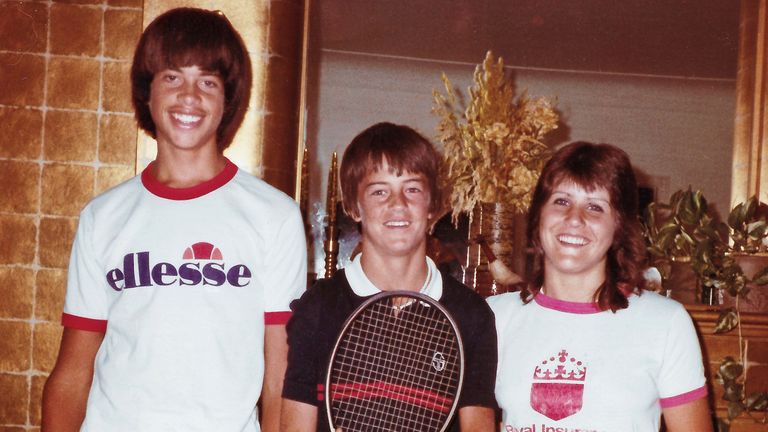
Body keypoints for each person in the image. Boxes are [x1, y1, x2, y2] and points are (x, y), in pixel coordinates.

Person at [41, 8, 306, 432]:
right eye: (172, 77)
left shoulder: (274, 217)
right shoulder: (103, 217)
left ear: (227, 99)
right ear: (147, 91)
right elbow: (72, 374)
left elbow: (281, 377)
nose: (189, 96)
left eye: (207, 82)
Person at [280, 122, 498, 431]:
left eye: (412, 189)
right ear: (355, 207)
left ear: (433, 205)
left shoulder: (472, 316)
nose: (398, 204)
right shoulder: (318, 307)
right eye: (379, 191)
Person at [487, 141, 712, 431]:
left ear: (618, 227)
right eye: (561, 201)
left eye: (595, 207)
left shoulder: (665, 323)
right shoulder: (494, 317)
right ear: (538, 215)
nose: (574, 219)